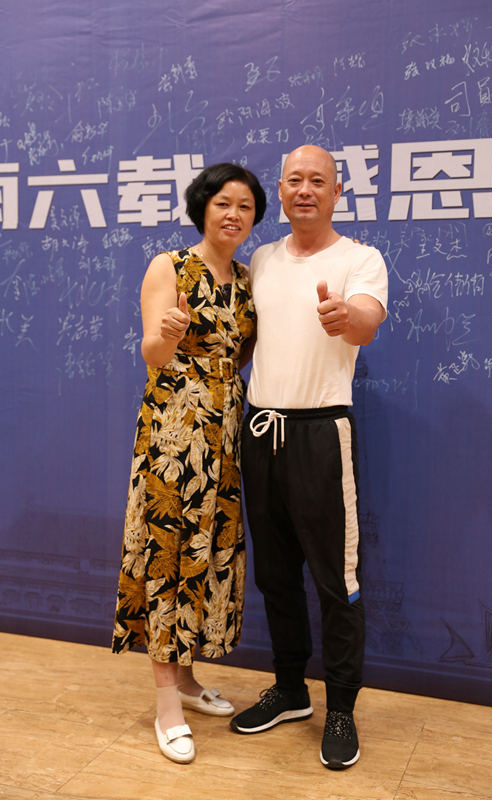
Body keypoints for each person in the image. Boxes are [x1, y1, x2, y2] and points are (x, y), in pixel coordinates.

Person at [230, 145, 388, 771]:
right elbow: (245, 341)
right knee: (275, 574)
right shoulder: (262, 260)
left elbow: (367, 322)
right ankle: (291, 689)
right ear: (280, 189)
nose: (304, 190)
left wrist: (345, 316)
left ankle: (341, 708)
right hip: (259, 429)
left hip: (322, 433)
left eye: (317, 180)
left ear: (336, 192)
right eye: (294, 179)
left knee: (336, 580)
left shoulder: (359, 259)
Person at [112, 163, 267, 764]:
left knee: (208, 549)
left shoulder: (248, 279)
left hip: (226, 434)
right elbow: (152, 353)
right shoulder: (170, 266)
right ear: (203, 206)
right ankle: (165, 706)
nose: (234, 214)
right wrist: (171, 333)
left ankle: (185, 677)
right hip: (174, 435)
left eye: (245, 207)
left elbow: (242, 352)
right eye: (223, 203)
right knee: (167, 551)